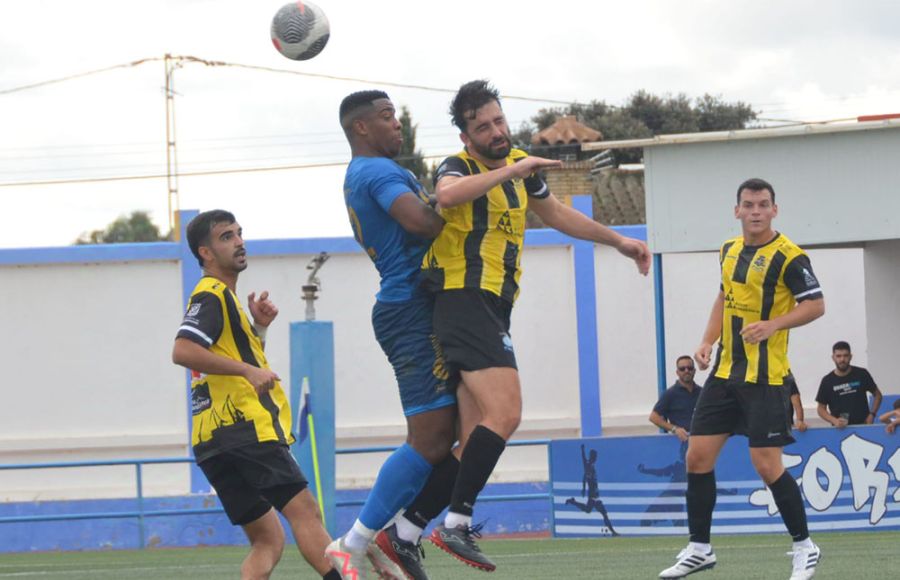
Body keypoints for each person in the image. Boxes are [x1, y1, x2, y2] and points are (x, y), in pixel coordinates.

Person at [377, 79, 650, 575]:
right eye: (483, 126)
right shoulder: (460, 165)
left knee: (471, 437)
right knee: (506, 412)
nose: (496, 131)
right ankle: (457, 522)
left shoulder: (520, 168)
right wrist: (517, 168)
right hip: (463, 301)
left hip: (491, 309)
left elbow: (558, 214)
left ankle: (405, 532)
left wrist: (618, 241)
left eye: (499, 121)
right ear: (467, 137)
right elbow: (446, 194)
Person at [658, 178, 825, 580]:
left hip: (766, 378)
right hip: (724, 373)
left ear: (774, 210)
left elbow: (816, 305)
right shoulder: (728, 250)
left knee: (766, 465)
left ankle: (805, 547)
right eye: (748, 204)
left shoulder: (790, 257)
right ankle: (700, 549)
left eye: (762, 204)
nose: (755, 211)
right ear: (736, 210)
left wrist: (773, 325)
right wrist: (706, 341)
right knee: (697, 458)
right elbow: (723, 297)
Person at [325, 90, 456, 580]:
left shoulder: (373, 172)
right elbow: (421, 220)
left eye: (397, 116)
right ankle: (356, 542)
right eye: (386, 118)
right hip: (408, 309)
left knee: (447, 434)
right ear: (361, 128)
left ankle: (392, 536)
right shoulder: (374, 171)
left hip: (416, 306)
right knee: (431, 437)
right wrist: (465, 200)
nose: (397, 125)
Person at [171, 210, 340, 580]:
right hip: (245, 429)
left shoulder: (224, 300)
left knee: (268, 539)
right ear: (206, 253)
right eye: (226, 237)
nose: (239, 242)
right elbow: (182, 350)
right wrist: (249, 369)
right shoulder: (211, 294)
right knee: (305, 512)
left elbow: (223, 356)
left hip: (213, 442)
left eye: (239, 233)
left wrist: (258, 329)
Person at [815, 341, 882, 427]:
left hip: (863, 427)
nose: (842, 359)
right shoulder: (827, 381)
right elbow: (820, 409)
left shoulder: (862, 374)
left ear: (850, 357)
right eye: (838, 356)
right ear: (833, 358)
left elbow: (878, 395)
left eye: (845, 355)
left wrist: (872, 414)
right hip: (839, 430)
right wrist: (834, 420)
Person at [565, 444, 618, 535]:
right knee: (601, 513)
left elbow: (584, 476)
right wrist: (582, 450)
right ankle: (613, 532)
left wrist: (583, 488)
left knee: (590, 510)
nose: (596, 458)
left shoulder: (591, 465)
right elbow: (585, 473)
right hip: (593, 495)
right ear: (593, 457)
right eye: (595, 456)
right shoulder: (589, 465)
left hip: (595, 495)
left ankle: (572, 501)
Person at [649, 355, 703, 441]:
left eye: (689, 368)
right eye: (682, 369)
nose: (686, 371)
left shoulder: (702, 392)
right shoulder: (670, 394)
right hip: (680, 441)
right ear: (677, 372)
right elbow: (654, 417)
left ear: (694, 371)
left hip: (702, 440)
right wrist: (675, 429)